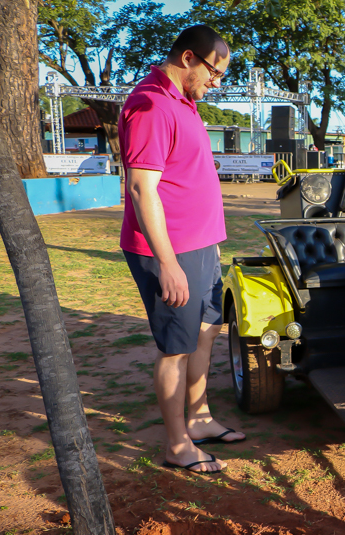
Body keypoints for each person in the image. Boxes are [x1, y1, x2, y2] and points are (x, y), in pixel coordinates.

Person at [119, 25, 245, 474]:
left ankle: (200, 418)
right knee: (176, 345)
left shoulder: (184, 102)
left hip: (202, 245)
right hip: (171, 251)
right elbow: (141, 188)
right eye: (214, 71)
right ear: (189, 57)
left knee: (207, 330)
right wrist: (167, 263)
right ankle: (177, 445)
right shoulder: (151, 104)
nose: (217, 82)